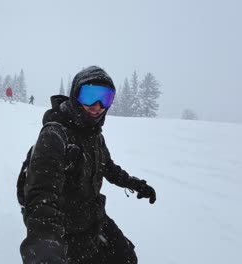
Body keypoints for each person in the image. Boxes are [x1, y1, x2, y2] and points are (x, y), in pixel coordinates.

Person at [20, 66, 157, 264]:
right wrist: (45, 249)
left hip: (94, 218)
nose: (98, 105)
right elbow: (42, 198)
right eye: (90, 95)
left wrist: (136, 184)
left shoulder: (94, 136)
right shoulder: (54, 136)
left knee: (127, 258)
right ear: (75, 96)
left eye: (106, 98)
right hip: (66, 230)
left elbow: (109, 168)